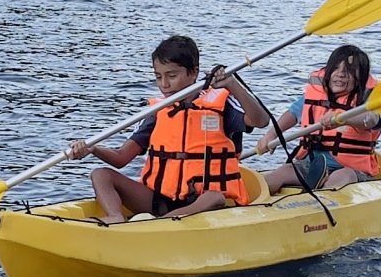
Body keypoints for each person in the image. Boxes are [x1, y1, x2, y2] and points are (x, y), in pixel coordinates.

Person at [67, 35, 269, 223]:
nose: (164, 84)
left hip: (207, 204)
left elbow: (261, 121)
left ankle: (157, 226)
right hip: (162, 200)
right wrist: (93, 149)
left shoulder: (220, 104)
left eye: (172, 75)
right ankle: (115, 218)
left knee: (213, 196)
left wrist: (232, 85)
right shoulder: (158, 110)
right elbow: (121, 158)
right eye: (158, 76)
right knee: (101, 174)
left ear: (193, 73)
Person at [249, 44, 381, 193]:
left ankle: (319, 203)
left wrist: (343, 118)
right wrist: (271, 135)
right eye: (335, 69)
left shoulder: (370, 100)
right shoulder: (317, 94)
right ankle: (249, 207)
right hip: (312, 162)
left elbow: (371, 119)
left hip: (351, 168)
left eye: (349, 71)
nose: (340, 74)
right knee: (278, 175)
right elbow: (293, 114)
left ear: (361, 78)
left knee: (340, 178)